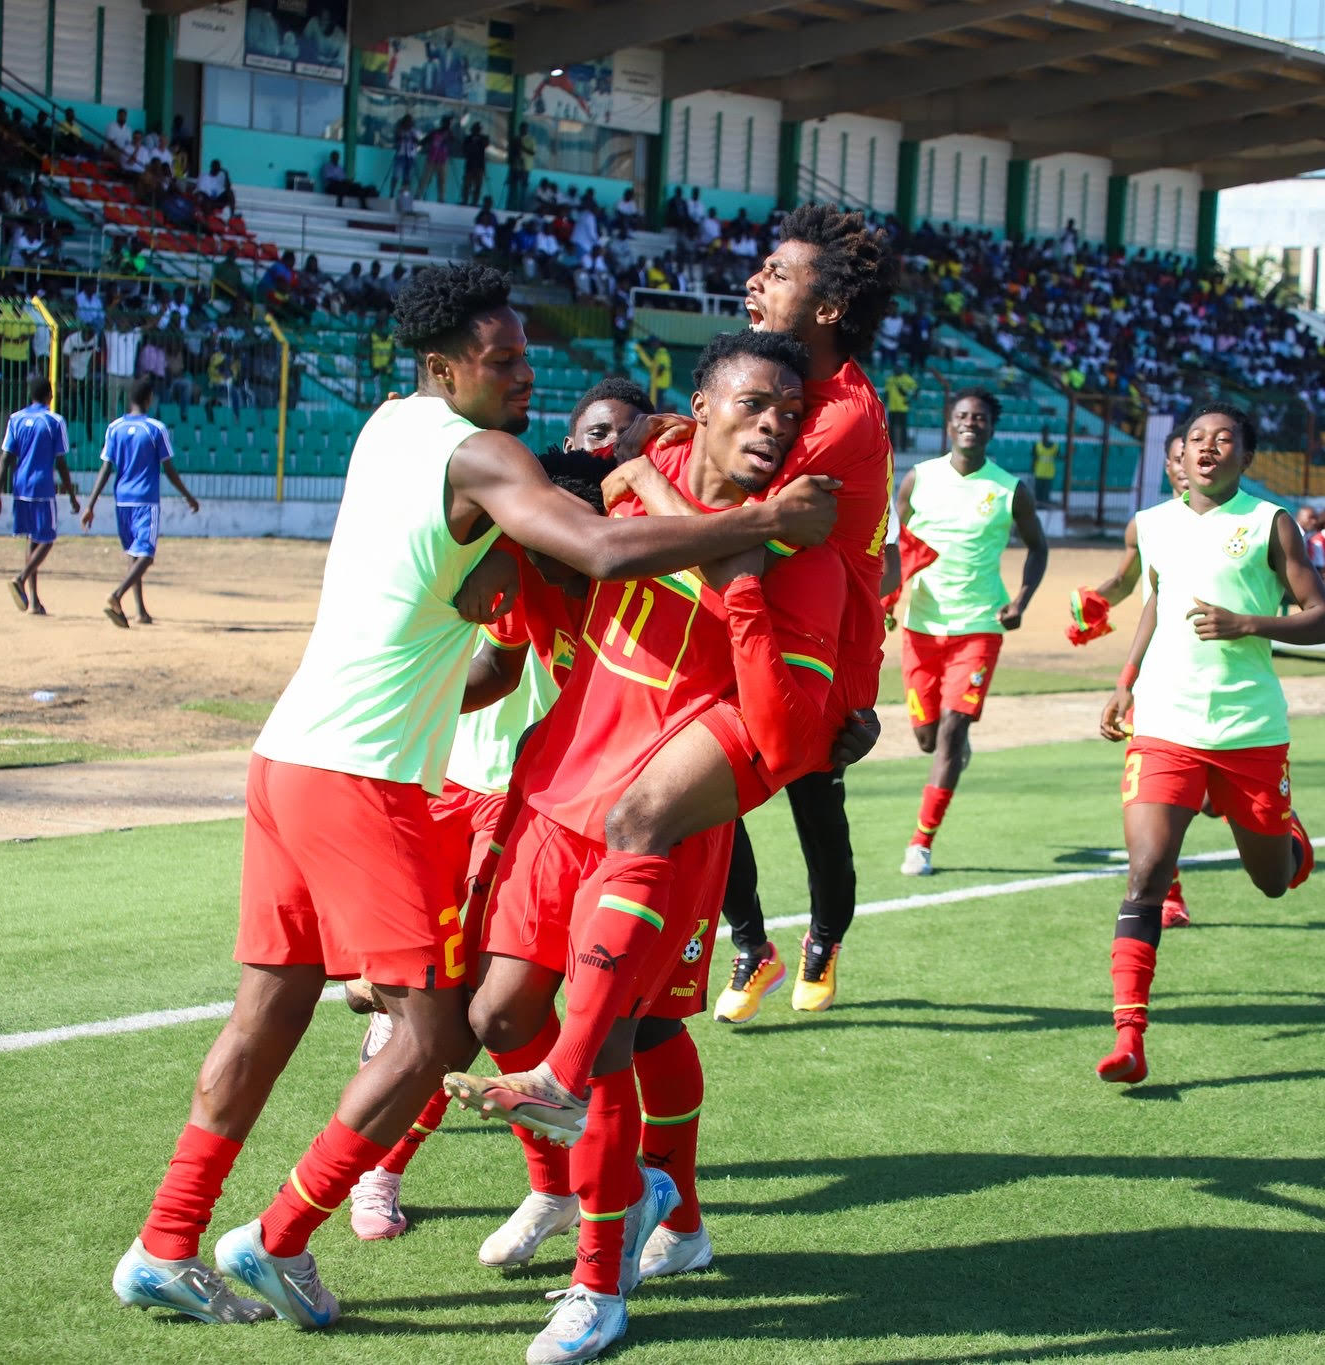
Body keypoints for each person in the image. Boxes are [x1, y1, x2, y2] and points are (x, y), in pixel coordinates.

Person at [110, 264, 837, 1331]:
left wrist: (541, 554)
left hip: (287, 757)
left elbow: (489, 638)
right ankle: (275, 1239)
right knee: (433, 1034)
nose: (521, 376)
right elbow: (591, 543)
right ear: (443, 366)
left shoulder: (387, 425)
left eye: (525, 355)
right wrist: (757, 518)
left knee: (268, 1014)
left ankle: (165, 1245)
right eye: (500, 361)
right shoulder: (481, 452)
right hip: (365, 780)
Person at [443, 331, 848, 1364]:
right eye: (753, 404)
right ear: (701, 409)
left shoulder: (803, 539)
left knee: (613, 1044)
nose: (772, 426)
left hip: (663, 815)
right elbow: (522, 593)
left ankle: (595, 1290)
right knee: (494, 1013)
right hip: (558, 786)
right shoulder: (634, 483)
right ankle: (633, 1201)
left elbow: (780, 724)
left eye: (788, 415)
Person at [343, 390, 648, 1245]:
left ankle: (625, 1196)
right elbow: (498, 667)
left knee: (538, 1016)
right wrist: (410, 708)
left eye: (625, 437)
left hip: (559, 812)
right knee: (431, 1005)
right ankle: (390, 1168)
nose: (610, 445)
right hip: (467, 790)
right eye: (595, 434)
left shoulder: (628, 572)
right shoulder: (505, 546)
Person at [1097, 403, 1325, 1086]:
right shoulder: (1153, 524)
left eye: (1224, 439)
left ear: (1244, 457)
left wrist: (1249, 622)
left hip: (1250, 730)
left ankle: (1289, 838)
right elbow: (1155, 601)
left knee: (1272, 880)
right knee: (1146, 873)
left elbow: (1323, 619)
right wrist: (1124, 681)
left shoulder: (1270, 523)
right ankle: (1129, 1037)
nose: (1208, 447)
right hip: (1166, 725)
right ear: (1182, 453)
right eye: (1198, 438)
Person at [707, 204, 899, 1022]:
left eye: (778, 273)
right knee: (698, 788)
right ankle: (753, 944)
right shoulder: (781, 378)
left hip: (826, 641)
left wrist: (638, 472)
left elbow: (736, 499)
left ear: (826, 310)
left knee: (816, 812)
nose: (755, 278)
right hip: (752, 606)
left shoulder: (841, 414)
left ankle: (824, 936)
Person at [894, 389, 1048, 876]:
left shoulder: (1009, 488)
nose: (970, 424)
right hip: (920, 624)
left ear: (990, 428)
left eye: (979, 418)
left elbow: (1038, 547)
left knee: (950, 731)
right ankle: (952, 746)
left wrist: (1020, 601)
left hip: (979, 626)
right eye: (962, 416)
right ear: (948, 424)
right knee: (926, 737)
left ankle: (921, 842)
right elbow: (891, 547)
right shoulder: (918, 479)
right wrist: (883, 600)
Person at [1071, 422, 1200, 926]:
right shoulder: (1147, 524)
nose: (1188, 464)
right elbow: (1126, 582)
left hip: (1218, 676)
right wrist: (1092, 604)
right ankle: (1169, 895)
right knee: (1157, 793)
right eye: (1177, 456)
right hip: (1157, 672)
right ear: (1171, 466)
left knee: (1208, 799)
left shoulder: (1246, 522)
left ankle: (1269, 819)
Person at [80, 378, 201, 628]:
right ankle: (116, 595)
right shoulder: (156, 429)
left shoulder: (115, 428)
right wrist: (188, 496)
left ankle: (141, 611)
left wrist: (90, 504)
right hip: (145, 500)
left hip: (122, 500)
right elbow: (168, 469)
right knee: (146, 554)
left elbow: (105, 469)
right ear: (149, 399)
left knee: (135, 553)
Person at [0, 377, 79, 614]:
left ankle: (35, 601)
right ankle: (20, 579)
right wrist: (71, 495)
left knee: (32, 539)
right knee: (47, 540)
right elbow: (61, 462)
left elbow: (6, 458)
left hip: (20, 486)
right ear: (50, 395)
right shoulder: (54, 421)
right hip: (42, 487)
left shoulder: (16, 419)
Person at [883, 364, 917, 452]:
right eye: (896, 369)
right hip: (892, 407)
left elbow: (916, 390)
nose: (897, 371)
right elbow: (886, 392)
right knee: (891, 428)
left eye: (899, 369)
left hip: (903, 408)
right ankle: (891, 446)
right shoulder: (890, 379)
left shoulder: (908, 379)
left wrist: (909, 400)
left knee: (903, 428)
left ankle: (903, 447)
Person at [635, 334, 673, 411]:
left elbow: (662, 367)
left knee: (657, 402)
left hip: (660, 383)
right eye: (650, 343)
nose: (651, 345)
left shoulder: (662, 352)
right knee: (656, 401)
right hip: (657, 383)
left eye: (652, 342)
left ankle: (655, 416)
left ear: (657, 342)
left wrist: (656, 374)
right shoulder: (659, 353)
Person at [461, 122, 489, 206]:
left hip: (480, 165)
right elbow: (464, 149)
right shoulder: (468, 138)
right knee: (467, 185)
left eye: (478, 129)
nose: (476, 130)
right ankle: (465, 200)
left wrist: (478, 140)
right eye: (475, 129)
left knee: (478, 186)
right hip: (470, 165)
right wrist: (472, 143)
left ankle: (475, 202)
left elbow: (486, 144)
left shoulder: (484, 138)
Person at [1032, 426, 1060, 502]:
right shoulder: (1037, 445)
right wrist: (1033, 470)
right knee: (1038, 494)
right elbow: (1034, 459)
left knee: (1046, 495)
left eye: (1047, 433)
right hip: (1039, 473)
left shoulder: (1055, 446)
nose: (1045, 435)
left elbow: (1060, 457)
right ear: (1042, 434)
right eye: (1044, 433)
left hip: (1049, 473)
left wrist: (1070, 452)